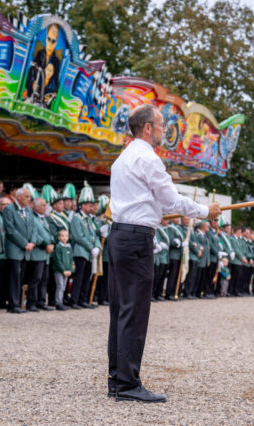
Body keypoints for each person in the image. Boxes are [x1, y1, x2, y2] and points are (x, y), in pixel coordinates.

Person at [107, 103, 220, 403]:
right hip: (136, 239)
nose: (163, 130)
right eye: (160, 125)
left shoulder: (122, 159)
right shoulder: (148, 158)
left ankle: (117, 379)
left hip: (119, 235)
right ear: (147, 128)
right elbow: (171, 201)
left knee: (120, 310)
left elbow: (151, 201)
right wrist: (206, 211)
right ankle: (128, 384)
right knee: (134, 311)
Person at [3, 187, 37, 314]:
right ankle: (13, 304)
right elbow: (10, 230)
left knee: (21, 277)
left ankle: (16, 302)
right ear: (18, 197)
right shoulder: (9, 209)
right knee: (14, 278)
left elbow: (34, 227)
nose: (29, 199)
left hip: (27, 249)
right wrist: (24, 243)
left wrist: (32, 242)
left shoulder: (28, 210)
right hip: (15, 249)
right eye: (26, 196)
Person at [69, 184, 100, 309]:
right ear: (82, 205)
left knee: (87, 277)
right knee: (79, 277)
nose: (91, 207)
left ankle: (83, 299)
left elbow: (95, 234)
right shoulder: (77, 218)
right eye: (89, 205)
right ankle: (74, 300)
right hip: (81, 251)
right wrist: (91, 247)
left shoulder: (89, 219)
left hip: (89, 252)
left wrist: (97, 246)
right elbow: (78, 236)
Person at [27, 197, 55, 311]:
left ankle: (41, 301)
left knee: (44, 279)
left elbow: (50, 233)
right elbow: (33, 235)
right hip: (37, 252)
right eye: (43, 205)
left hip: (46, 254)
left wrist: (52, 243)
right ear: (36, 207)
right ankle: (31, 302)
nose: (45, 207)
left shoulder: (44, 218)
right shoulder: (32, 218)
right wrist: (45, 245)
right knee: (35, 279)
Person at [51, 229, 73, 310]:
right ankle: (58, 303)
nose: (64, 238)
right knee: (60, 286)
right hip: (59, 271)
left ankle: (61, 301)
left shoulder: (69, 247)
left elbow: (70, 260)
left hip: (67, 271)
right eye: (62, 236)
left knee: (63, 287)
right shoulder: (58, 247)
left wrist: (70, 269)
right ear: (59, 237)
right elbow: (58, 260)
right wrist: (63, 270)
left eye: (66, 236)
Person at [165, 217, 184, 301]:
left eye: (178, 218)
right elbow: (170, 240)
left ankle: (176, 292)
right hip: (173, 255)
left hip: (180, 255)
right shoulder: (170, 228)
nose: (177, 220)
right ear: (172, 219)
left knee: (177, 275)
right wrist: (177, 243)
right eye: (175, 218)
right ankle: (169, 293)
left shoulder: (180, 228)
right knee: (172, 275)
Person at [152, 218, 170, 301]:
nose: (167, 221)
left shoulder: (160, 229)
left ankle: (157, 294)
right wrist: (156, 246)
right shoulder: (156, 229)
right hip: (154, 256)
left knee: (159, 276)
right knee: (154, 277)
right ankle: (151, 294)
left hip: (160, 257)